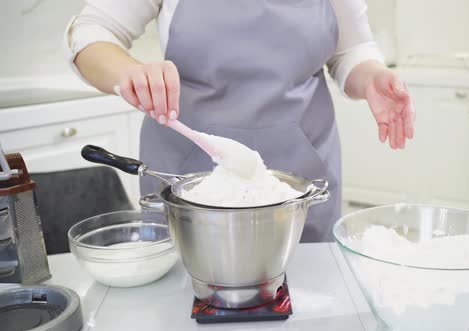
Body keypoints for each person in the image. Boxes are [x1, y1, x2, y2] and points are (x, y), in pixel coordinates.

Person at [65, 0, 415, 242]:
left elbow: (350, 50)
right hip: (188, 171)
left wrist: (371, 78)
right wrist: (130, 73)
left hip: (301, 174)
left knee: (308, 298)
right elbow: (93, 31)